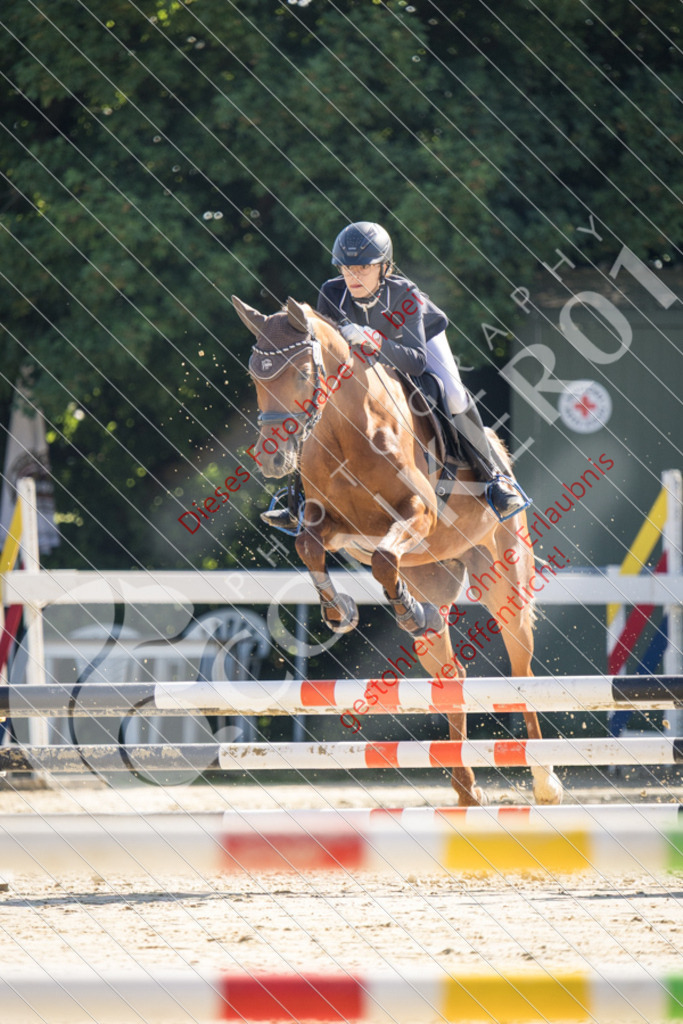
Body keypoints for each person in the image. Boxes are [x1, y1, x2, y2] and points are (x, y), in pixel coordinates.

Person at [262, 221, 530, 531]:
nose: (353, 276)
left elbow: (416, 362)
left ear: (384, 267)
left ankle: (495, 480)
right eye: (346, 268)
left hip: (418, 343)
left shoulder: (405, 294)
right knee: (318, 402)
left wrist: (373, 340)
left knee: (453, 394)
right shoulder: (331, 292)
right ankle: (296, 499)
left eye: (363, 267)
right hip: (365, 361)